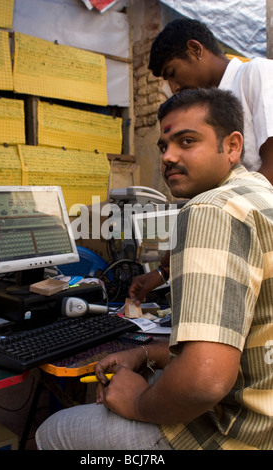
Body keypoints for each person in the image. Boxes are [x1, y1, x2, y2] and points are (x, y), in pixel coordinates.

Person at [36, 88, 273, 450]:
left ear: (232, 145)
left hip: (232, 435)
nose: (169, 157)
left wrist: (136, 402)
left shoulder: (211, 210)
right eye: (164, 146)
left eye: (187, 141)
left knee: (53, 431)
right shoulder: (261, 196)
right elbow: (239, 341)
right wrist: (147, 354)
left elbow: (204, 380)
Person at [129, 18, 273, 304]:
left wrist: (211, 220)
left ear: (195, 49)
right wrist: (161, 272)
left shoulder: (256, 73)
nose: (173, 86)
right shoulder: (205, 110)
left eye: (172, 73)